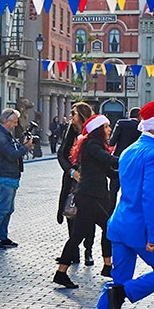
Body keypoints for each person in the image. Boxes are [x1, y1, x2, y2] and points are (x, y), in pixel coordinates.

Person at [82, 100, 154, 309]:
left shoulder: (130, 150)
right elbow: (149, 199)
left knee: (118, 279)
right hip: (140, 228)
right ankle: (125, 294)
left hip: (120, 224)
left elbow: (134, 181)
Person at [55, 114, 117, 287]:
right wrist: (129, 161)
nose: (110, 130)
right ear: (98, 130)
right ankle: (61, 273)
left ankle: (107, 265)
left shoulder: (96, 145)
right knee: (79, 236)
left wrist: (127, 173)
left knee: (105, 227)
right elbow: (109, 160)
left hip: (92, 196)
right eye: (106, 127)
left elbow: (108, 170)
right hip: (89, 197)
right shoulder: (93, 145)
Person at [0, 108, 35, 249]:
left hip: (10, 176)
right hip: (3, 177)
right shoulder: (0, 135)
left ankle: (3, 236)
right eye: (14, 121)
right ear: (6, 121)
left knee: (8, 209)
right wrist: (26, 147)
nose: (15, 124)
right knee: (2, 209)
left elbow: (15, 149)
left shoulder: (7, 135)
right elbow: (12, 155)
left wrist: (23, 144)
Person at [57, 103, 96, 264]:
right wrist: (71, 172)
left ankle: (88, 250)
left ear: (82, 114)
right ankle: (73, 251)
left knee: (89, 215)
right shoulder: (71, 131)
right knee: (70, 212)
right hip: (72, 178)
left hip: (89, 179)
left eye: (74, 113)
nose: (71, 116)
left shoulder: (93, 131)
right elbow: (62, 154)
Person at [107, 107, 141, 205]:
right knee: (130, 188)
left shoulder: (121, 123)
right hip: (133, 160)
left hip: (118, 158)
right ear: (139, 116)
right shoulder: (141, 127)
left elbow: (112, 141)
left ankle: (109, 212)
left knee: (113, 189)